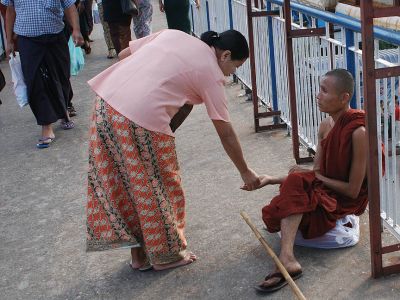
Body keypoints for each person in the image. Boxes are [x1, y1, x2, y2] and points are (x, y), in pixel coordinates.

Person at [86, 29, 261, 271]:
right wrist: (245, 171)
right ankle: (166, 256)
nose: (233, 72)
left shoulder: (174, 34)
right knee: (158, 186)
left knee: (125, 185)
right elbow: (226, 132)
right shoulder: (211, 72)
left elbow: (125, 54)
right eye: (236, 66)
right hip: (138, 121)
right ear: (225, 55)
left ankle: (138, 257)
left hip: (105, 106)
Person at [242, 69, 368, 293]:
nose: (317, 95)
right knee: (293, 186)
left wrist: (309, 176)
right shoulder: (324, 127)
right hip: (325, 192)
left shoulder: (358, 132)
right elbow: (316, 175)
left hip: (343, 201)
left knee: (296, 185)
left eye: (324, 90)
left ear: (344, 97)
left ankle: (287, 257)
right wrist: (271, 179)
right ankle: (288, 258)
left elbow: (352, 191)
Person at [2, 0, 83, 148]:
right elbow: (10, 11)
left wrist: (76, 29)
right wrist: (9, 41)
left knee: (61, 77)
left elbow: (69, 6)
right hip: (28, 39)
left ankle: (62, 110)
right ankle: (46, 126)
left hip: (56, 36)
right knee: (35, 82)